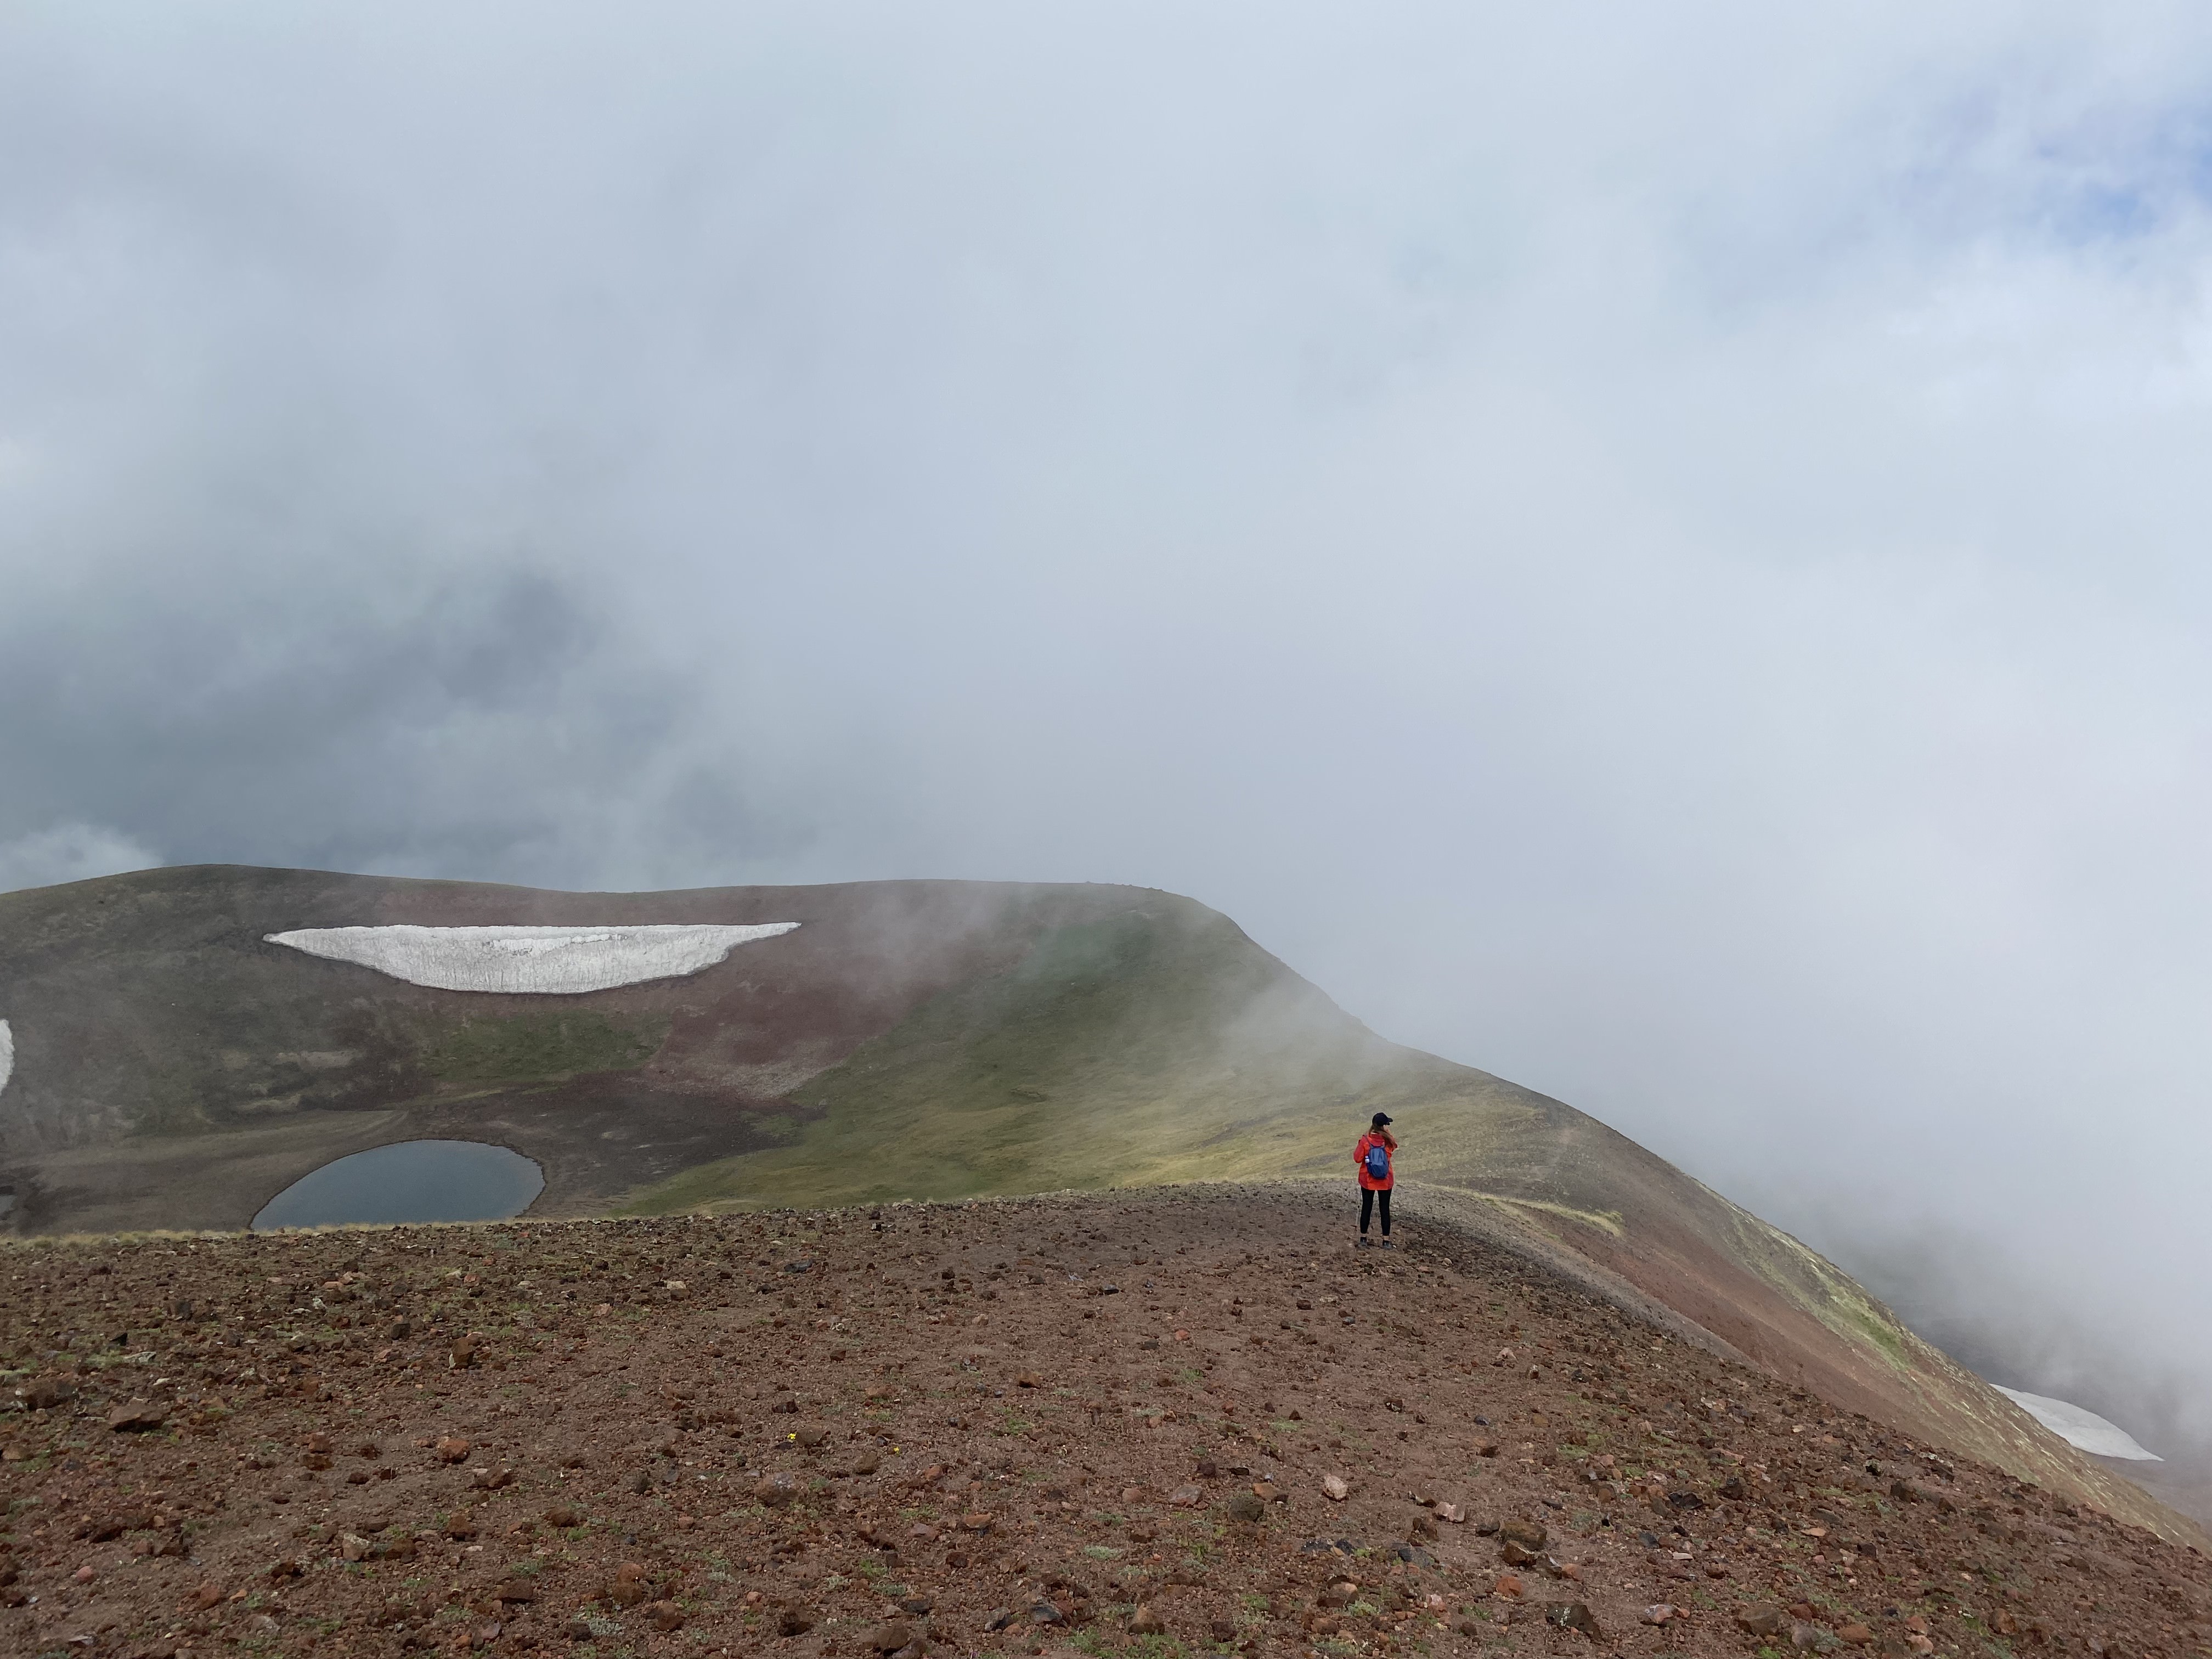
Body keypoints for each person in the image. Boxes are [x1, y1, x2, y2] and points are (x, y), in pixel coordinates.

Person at [1354, 1111, 1397, 1248]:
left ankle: (1363, 1239)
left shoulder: (1366, 1141)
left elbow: (1357, 1159)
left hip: (1368, 1179)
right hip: (1385, 1180)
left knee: (1367, 1207)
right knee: (1385, 1209)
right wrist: (1388, 1133)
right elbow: (1395, 1146)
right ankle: (1386, 1241)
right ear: (1384, 1126)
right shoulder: (1388, 1142)